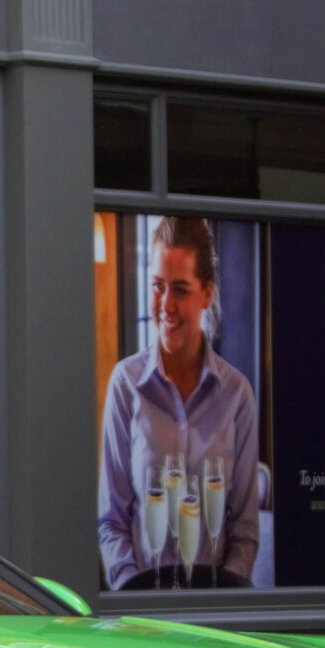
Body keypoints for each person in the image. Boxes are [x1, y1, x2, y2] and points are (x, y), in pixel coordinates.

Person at [96, 216, 261, 588]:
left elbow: (245, 532)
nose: (165, 305)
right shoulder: (126, 385)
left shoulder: (237, 395)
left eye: (181, 290)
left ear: (208, 293)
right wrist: (133, 597)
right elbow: (111, 523)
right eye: (158, 286)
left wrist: (224, 602)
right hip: (141, 620)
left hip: (217, 619)